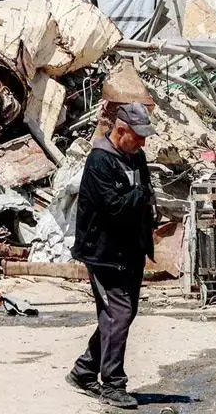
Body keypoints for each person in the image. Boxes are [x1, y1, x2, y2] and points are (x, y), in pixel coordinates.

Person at [67, 103, 158, 410]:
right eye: (138, 136)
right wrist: (140, 196)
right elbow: (114, 207)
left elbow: (145, 192)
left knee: (122, 314)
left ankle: (84, 370)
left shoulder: (137, 156)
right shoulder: (99, 161)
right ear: (121, 131)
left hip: (130, 250)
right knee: (118, 314)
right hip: (103, 252)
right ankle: (113, 385)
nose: (143, 143)